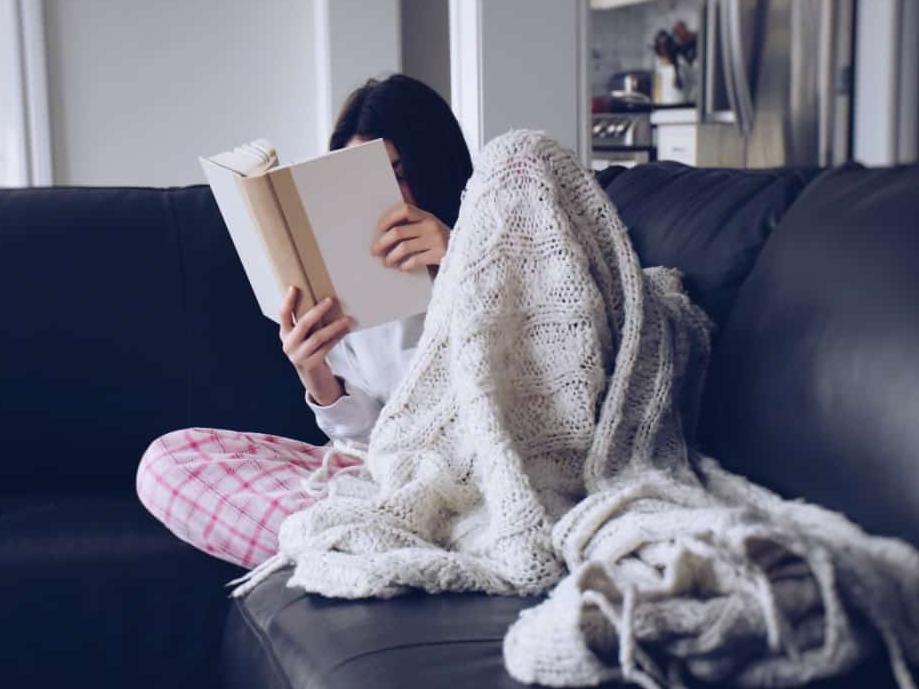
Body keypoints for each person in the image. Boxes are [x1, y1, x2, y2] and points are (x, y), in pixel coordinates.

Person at [135, 74, 473, 570]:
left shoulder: (494, 248)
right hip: (382, 478)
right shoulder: (345, 276)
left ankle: (371, 554)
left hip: (468, 478)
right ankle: (377, 549)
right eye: (365, 178)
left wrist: (463, 261)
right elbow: (362, 444)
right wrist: (317, 379)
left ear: (435, 169)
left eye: (398, 173)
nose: (386, 196)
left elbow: (526, 389)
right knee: (167, 462)